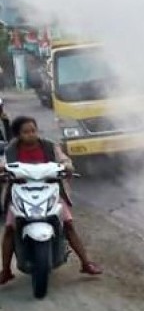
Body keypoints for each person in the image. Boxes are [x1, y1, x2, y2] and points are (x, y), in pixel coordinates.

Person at [0, 116, 102, 285]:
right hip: (19, 192)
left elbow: (64, 160)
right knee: (10, 228)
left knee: (68, 224)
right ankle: (6, 270)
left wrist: (67, 166)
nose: (31, 135)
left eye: (33, 130)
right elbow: (3, 163)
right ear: (18, 134)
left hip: (50, 190)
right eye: (26, 132)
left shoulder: (49, 146)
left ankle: (86, 263)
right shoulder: (11, 150)